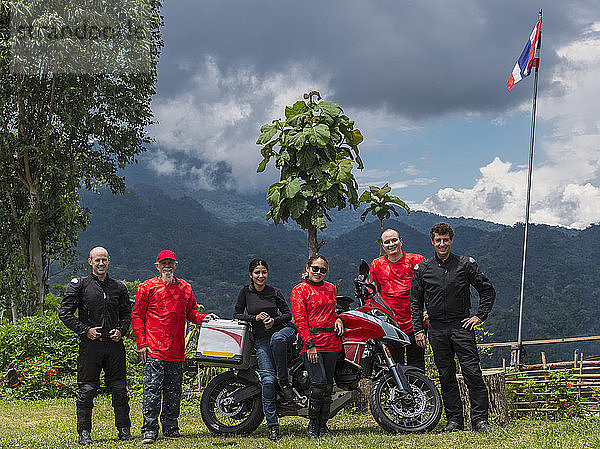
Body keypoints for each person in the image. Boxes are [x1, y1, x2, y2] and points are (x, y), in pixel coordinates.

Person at [410, 222, 495, 433]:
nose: (442, 244)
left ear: (451, 240)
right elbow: (415, 302)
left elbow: (487, 290)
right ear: (432, 241)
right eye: (438, 240)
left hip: (462, 326)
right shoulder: (423, 269)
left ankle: (480, 420)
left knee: (472, 372)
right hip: (436, 329)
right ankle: (455, 420)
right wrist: (419, 329)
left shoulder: (465, 264)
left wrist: (480, 316)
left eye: (445, 240)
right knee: (446, 375)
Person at [131, 250, 218, 444]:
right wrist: (141, 344)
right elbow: (136, 316)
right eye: (163, 263)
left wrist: (205, 318)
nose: (167, 267)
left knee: (173, 392)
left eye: (170, 263)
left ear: (176, 265)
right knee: (152, 391)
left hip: (177, 350)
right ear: (157, 266)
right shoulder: (146, 287)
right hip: (153, 349)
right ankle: (149, 430)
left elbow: (192, 312)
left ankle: (171, 427)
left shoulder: (185, 288)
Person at [59, 246, 133, 445]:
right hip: (90, 346)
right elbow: (65, 314)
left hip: (114, 345)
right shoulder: (79, 285)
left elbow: (127, 315)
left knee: (119, 388)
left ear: (109, 260)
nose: (101, 263)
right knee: (87, 390)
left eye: (104, 260)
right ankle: (84, 433)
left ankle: (124, 430)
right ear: (90, 262)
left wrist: (121, 330)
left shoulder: (119, 287)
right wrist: (85, 330)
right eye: (97, 260)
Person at [233, 258, 296, 441]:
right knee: (267, 381)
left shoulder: (274, 292)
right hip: (261, 340)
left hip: (282, 333)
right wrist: (256, 318)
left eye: (264, 272)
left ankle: (284, 382)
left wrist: (273, 321)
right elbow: (237, 314)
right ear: (251, 275)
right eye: (257, 273)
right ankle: (273, 426)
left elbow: (287, 315)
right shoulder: (245, 292)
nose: (261, 276)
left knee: (277, 338)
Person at [290, 255, 344, 439]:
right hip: (312, 342)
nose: (318, 272)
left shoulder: (331, 288)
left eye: (322, 270)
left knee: (328, 386)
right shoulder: (299, 290)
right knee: (319, 384)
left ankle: (323, 425)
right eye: (315, 268)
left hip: (331, 342)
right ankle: (312, 425)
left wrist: (339, 318)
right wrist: (309, 344)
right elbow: (300, 320)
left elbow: (332, 310)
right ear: (307, 267)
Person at [369, 228, 426, 371]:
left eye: (394, 240)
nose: (391, 244)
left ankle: (419, 393)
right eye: (387, 242)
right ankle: (398, 393)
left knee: (417, 365)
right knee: (394, 366)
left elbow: (431, 288)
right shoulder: (376, 265)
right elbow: (371, 294)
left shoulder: (416, 261)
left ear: (401, 241)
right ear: (382, 246)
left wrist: (428, 310)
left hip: (415, 323)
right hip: (390, 324)